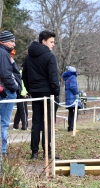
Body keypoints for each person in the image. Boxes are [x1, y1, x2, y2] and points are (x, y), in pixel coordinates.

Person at [22, 30, 60, 159]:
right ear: (44, 42)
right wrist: (56, 93)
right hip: (48, 94)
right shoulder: (50, 57)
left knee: (36, 123)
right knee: (48, 123)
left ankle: (34, 152)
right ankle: (48, 152)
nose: (53, 44)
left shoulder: (28, 57)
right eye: (51, 42)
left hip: (36, 94)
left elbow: (25, 76)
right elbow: (54, 78)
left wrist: (31, 90)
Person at [0, 30, 22, 156]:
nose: (14, 44)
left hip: (4, 90)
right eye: (11, 41)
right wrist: (14, 87)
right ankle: (3, 151)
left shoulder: (4, 53)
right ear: (3, 41)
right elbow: (5, 74)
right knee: (4, 122)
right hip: (6, 92)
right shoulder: (3, 54)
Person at [62, 66, 82, 132]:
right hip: (73, 98)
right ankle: (73, 127)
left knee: (70, 113)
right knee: (75, 112)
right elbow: (73, 87)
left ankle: (70, 127)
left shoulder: (67, 78)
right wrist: (76, 93)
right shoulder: (73, 77)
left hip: (68, 98)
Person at [13, 64, 29, 131]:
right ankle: (25, 126)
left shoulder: (24, 74)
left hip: (24, 94)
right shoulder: (20, 74)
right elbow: (21, 85)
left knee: (19, 111)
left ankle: (15, 126)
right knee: (24, 111)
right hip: (21, 95)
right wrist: (23, 94)